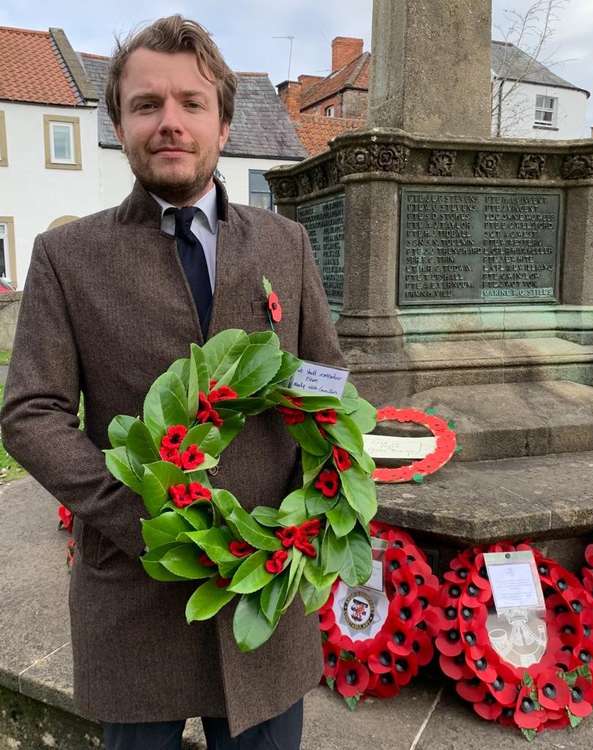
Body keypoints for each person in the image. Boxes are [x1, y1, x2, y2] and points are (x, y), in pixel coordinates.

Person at [0, 15, 344, 750]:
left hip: (265, 603)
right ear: (118, 126)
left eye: (191, 103)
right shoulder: (67, 256)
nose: (169, 123)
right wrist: (143, 519)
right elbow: (32, 412)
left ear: (223, 122)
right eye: (146, 104)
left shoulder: (287, 244)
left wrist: (319, 503)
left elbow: (326, 378)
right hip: (134, 595)